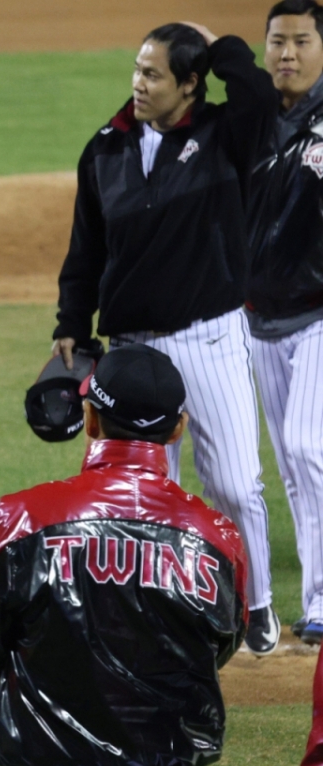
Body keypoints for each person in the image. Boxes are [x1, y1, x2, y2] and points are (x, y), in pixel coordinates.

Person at [52, 22, 283, 653]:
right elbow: (86, 249)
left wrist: (223, 44)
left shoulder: (223, 136)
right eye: (137, 69)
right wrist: (71, 322)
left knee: (234, 483)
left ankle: (254, 601)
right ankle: (149, 615)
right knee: (136, 488)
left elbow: (260, 98)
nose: (138, 83)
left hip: (208, 340)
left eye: (153, 74)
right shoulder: (105, 148)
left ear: (189, 84)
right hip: (130, 349)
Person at [0, 344, 249, 766]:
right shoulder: (218, 538)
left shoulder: (20, 518)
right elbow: (220, 641)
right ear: (178, 429)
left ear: (90, 419)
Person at [247, 0, 323, 647]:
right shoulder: (252, 119)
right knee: (294, 466)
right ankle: (316, 598)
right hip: (260, 318)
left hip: (320, 313)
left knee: (306, 445)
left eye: (301, 41)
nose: (287, 54)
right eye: (277, 41)